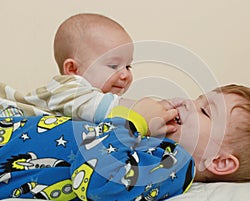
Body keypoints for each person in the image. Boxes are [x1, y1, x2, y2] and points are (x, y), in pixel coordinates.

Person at [0, 84, 250, 201]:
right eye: (198, 99)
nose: (186, 102)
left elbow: (100, 179)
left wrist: (135, 120)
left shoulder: (172, 166)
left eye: (205, 112)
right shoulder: (156, 139)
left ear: (219, 162)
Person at [0, 13, 178, 136]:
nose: (125, 75)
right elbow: (104, 107)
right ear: (73, 69)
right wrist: (148, 109)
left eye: (128, 66)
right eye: (113, 65)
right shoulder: (67, 88)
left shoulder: (92, 109)